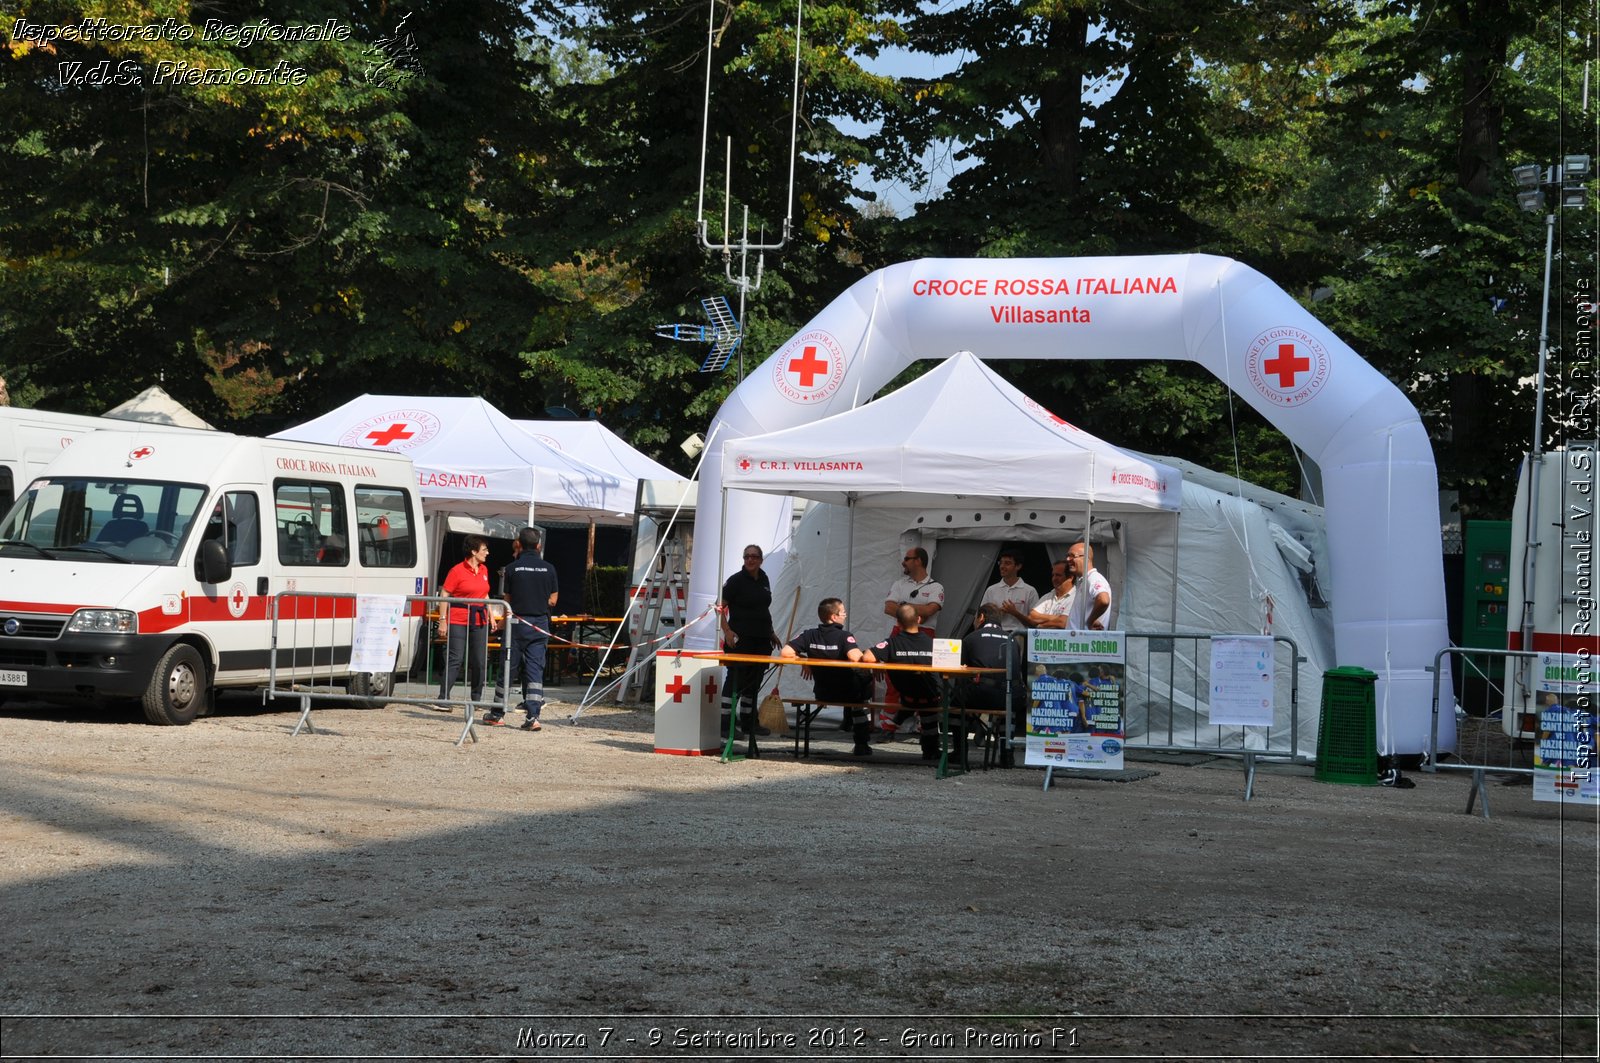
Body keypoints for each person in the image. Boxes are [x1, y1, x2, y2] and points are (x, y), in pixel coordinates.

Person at [781, 597, 874, 757]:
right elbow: (856, 658)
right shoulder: (844, 636)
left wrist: (805, 660)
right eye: (843, 612)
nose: (845, 615)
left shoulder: (809, 635)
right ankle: (861, 743)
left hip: (823, 693)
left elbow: (786, 652)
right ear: (833, 617)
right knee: (864, 685)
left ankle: (848, 721)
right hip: (848, 694)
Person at [487, 526, 559, 729]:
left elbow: (507, 602)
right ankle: (533, 717)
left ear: (519, 544)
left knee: (508, 669)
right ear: (538, 545)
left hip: (517, 624)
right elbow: (553, 599)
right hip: (539, 625)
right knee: (535, 670)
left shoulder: (512, 568)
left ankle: (497, 714)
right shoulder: (549, 568)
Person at [865, 602, 942, 760]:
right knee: (932, 698)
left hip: (907, 695)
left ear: (898, 623)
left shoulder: (892, 643)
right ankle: (931, 749)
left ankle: (895, 722)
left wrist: (879, 664)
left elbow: (867, 657)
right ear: (919, 619)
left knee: (913, 698)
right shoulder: (934, 644)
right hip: (931, 698)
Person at [719, 543, 778, 736]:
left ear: (761, 560)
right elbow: (719, 607)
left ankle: (749, 722)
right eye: (747, 557)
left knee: (754, 682)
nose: (750, 560)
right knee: (735, 679)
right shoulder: (736, 581)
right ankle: (726, 724)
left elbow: (763, 609)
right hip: (740, 640)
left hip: (761, 640)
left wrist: (771, 632)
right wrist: (727, 631)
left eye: (754, 556)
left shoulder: (764, 578)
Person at [953, 601, 1022, 763]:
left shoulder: (971, 638)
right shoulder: (1013, 640)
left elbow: (960, 671)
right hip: (1011, 697)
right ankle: (1007, 756)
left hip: (981, 694)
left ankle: (959, 753)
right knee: (1008, 705)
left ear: (981, 617)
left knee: (954, 703)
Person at [439, 535, 501, 705]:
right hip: (458, 618)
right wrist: (443, 619)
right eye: (484, 550)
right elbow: (445, 594)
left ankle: (476, 698)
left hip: (479, 619)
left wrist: (490, 615)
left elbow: (484, 594)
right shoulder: (457, 570)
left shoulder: (484, 570)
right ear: (474, 551)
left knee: (480, 660)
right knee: (455, 658)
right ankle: (443, 698)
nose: (487, 553)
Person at [882, 545, 945, 633]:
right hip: (900, 633)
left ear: (918, 561)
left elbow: (929, 610)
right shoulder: (899, 584)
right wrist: (918, 616)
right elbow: (889, 608)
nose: (903, 563)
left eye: (907, 559)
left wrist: (902, 606)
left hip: (923, 634)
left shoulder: (936, 587)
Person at [983, 548, 1038, 635]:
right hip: (994, 635)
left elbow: (1035, 624)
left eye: (1007, 563)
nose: (1002, 566)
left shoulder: (1029, 591)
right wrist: (997, 613)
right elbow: (981, 619)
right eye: (1000, 563)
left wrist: (1015, 613)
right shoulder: (991, 590)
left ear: (1018, 566)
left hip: (1019, 636)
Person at [1064, 541, 1113, 631]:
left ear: (1085, 557)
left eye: (1072, 555)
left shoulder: (1094, 578)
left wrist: (1090, 621)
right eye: (1067, 556)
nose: (1067, 559)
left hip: (1085, 641)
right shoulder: (1085, 580)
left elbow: (1103, 600)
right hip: (1080, 641)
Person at [1021, 559, 1075, 628]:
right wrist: (1057, 618)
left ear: (1070, 577)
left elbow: (1063, 623)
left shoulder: (1076, 597)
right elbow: (1032, 616)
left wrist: (1042, 624)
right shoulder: (1049, 596)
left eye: (1058, 575)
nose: (1054, 578)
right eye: (1053, 575)